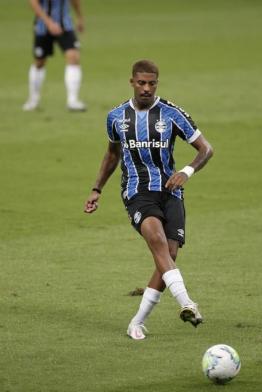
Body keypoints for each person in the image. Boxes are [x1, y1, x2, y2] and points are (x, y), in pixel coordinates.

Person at [84, 60, 214, 340]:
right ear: (131, 82)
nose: (146, 88)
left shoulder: (172, 114)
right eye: (141, 83)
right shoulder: (116, 117)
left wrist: (186, 171)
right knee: (156, 239)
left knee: (169, 255)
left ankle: (137, 322)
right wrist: (97, 189)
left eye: (151, 83)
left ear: (157, 83)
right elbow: (111, 154)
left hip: (170, 190)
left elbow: (206, 149)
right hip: (136, 191)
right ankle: (187, 303)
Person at [23, 0, 86, 111]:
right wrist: (49, 22)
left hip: (65, 25)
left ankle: (73, 100)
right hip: (43, 26)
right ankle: (33, 99)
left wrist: (79, 17)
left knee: (73, 56)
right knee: (39, 62)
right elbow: (33, 2)